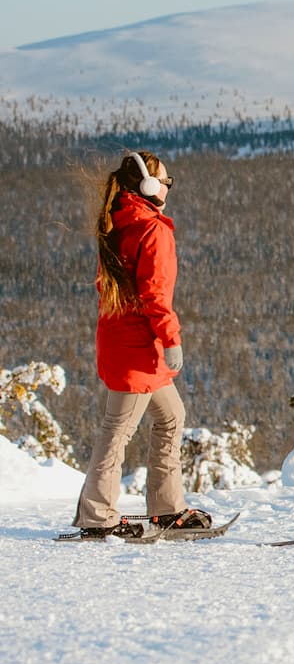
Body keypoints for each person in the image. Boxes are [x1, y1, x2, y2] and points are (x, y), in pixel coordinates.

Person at [73, 151, 213, 538]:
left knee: (171, 417)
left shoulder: (117, 221)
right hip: (138, 350)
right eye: (165, 181)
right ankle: (97, 516)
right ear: (149, 186)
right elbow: (156, 295)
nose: (168, 187)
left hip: (122, 343)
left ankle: (167, 509)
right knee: (117, 431)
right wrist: (171, 339)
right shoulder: (151, 229)